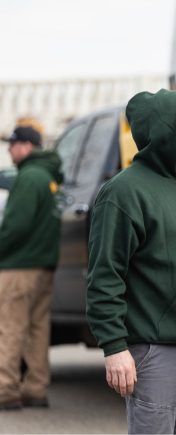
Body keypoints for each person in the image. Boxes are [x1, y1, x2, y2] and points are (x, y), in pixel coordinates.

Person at [86, 89, 176, 434]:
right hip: (154, 353)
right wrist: (114, 346)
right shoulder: (123, 193)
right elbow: (104, 276)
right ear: (164, 133)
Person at [0, 126, 64, 410]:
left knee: (11, 328)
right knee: (38, 329)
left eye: (12, 145)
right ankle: (36, 388)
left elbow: (16, 226)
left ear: (26, 146)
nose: (9, 150)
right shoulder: (50, 177)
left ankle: (6, 389)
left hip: (19, 265)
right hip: (44, 266)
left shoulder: (29, 177)